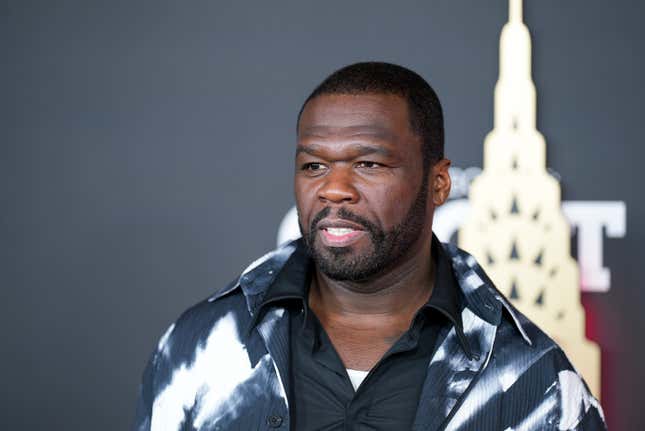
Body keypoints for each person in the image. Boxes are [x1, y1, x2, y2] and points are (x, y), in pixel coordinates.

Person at [134, 62, 606, 430]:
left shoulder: (532, 378)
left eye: (369, 164)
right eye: (314, 166)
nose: (334, 188)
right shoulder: (200, 348)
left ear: (439, 184)